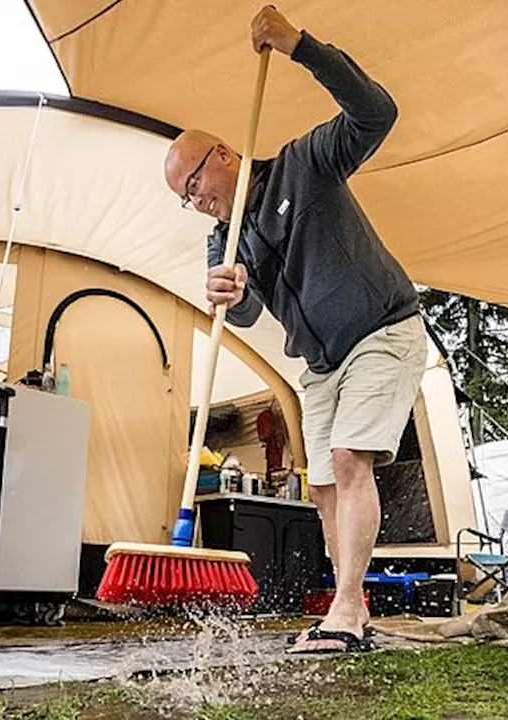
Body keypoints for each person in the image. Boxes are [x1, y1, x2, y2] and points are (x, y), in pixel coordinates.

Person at [163, 6, 427, 653]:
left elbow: (377, 114)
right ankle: (353, 609)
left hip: (381, 330)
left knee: (347, 459)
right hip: (318, 363)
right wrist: (228, 292)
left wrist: (300, 47)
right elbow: (246, 315)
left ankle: (341, 608)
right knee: (325, 485)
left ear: (223, 155)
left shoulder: (304, 165)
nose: (195, 201)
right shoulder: (223, 241)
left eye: (194, 183)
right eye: (184, 198)